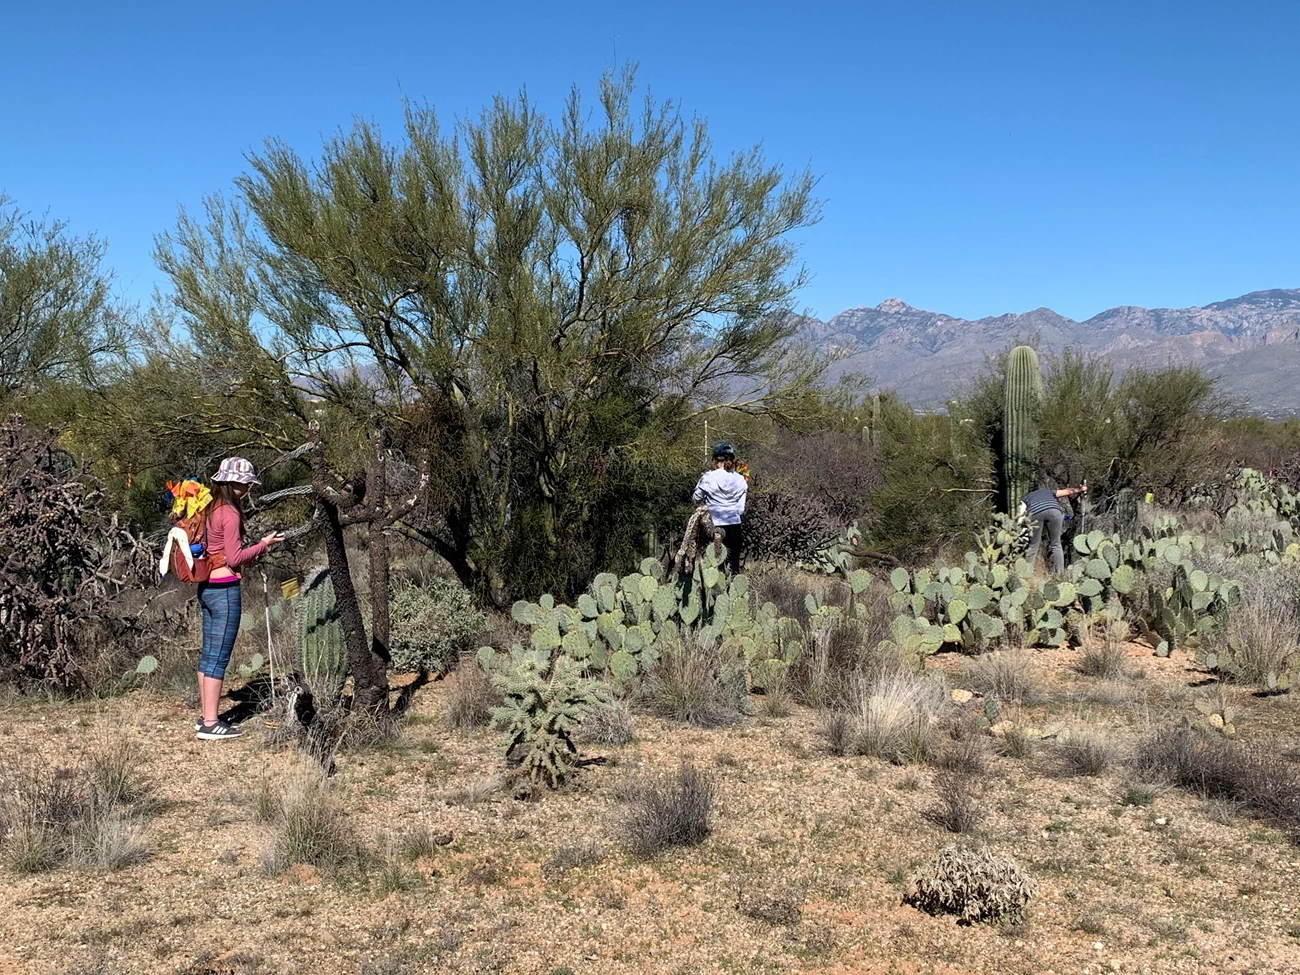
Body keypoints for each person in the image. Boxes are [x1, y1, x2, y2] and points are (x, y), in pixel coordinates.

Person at [195, 457, 281, 740]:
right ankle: (210, 723)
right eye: (244, 485)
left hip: (206, 587)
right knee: (219, 658)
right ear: (233, 484)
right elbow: (234, 557)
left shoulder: (209, 508)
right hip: (225, 590)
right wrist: (263, 546)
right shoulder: (229, 514)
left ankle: (206, 715)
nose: (246, 490)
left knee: (208, 654)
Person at [693, 442, 748, 576]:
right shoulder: (740, 480)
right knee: (733, 567)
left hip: (713, 526)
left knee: (712, 566)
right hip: (734, 526)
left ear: (716, 460)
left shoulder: (708, 478)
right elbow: (741, 509)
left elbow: (696, 498)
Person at [1022, 478, 1088, 574]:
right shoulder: (1048, 492)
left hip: (1034, 513)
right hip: (1054, 512)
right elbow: (1067, 491)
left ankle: (1026, 575)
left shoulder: (1027, 497)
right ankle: (1060, 574)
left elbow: (1021, 513)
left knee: (1033, 545)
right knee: (1056, 544)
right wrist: (1080, 489)